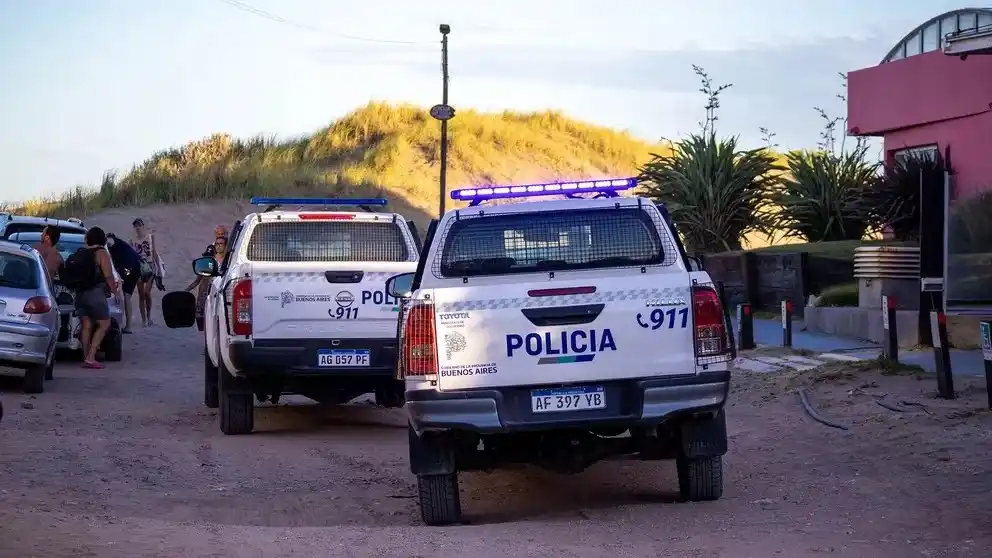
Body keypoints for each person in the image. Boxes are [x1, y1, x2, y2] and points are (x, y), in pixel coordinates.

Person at [75, 227, 118, 369]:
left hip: (80, 294)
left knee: (86, 325)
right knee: (104, 324)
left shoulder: (84, 252)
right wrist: (115, 292)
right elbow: (108, 276)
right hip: (95, 293)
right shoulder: (101, 253)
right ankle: (91, 356)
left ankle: (86, 356)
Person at [187, 234, 228, 330]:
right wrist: (186, 290)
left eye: (221, 244)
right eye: (217, 244)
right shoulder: (208, 263)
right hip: (206, 298)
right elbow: (197, 281)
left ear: (226, 246)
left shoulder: (229, 262)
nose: (218, 246)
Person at [106, 233, 142, 333]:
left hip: (129, 270)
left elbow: (109, 241)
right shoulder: (122, 245)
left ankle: (126, 326)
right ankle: (128, 326)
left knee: (124, 296)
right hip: (133, 268)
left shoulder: (112, 242)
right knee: (127, 297)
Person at [130, 218, 161, 327]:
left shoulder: (150, 237)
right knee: (141, 294)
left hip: (149, 266)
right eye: (135, 226)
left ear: (143, 226)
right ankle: (144, 319)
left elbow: (154, 253)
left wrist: (159, 269)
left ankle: (148, 316)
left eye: (139, 225)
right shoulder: (132, 241)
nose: (137, 227)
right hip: (138, 267)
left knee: (147, 292)